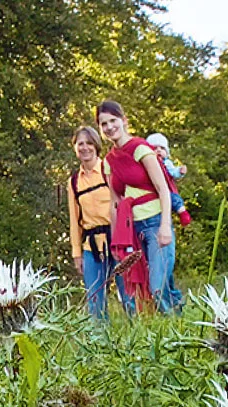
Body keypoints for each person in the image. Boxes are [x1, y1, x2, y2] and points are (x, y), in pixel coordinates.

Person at [96, 101, 182, 314]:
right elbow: (115, 203)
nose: (109, 127)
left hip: (154, 222)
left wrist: (165, 226)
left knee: (157, 286)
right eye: (103, 123)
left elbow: (163, 189)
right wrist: (117, 241)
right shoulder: (108, 161)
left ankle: (175, 327)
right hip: (132, 228)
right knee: (140, 291)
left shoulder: (141, 149)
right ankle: (165, 330)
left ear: (124, 121)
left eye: (113, 121)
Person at [67, 126, 135, 319]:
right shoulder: (74, 183)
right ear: (75, 148)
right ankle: (100, 345)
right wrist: (77, 254)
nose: (85, 148)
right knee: (95, 301)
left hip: (118, 239)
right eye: (81, 144)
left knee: (129, 296)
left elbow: (125, 202)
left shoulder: (109, 170)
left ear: (96, 146)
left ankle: (139, 339)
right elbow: (75, 220)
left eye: (89, 143)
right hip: (92, 245)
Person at [146, 133, 191, 227]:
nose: (158, 150)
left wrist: (180, 171)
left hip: (166, 188)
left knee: (174, 198)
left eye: (162, 148)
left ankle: (182, 212)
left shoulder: (167, 163)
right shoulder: (146, 163)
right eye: (155, 148)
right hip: (151, 190)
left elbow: (173, 172)